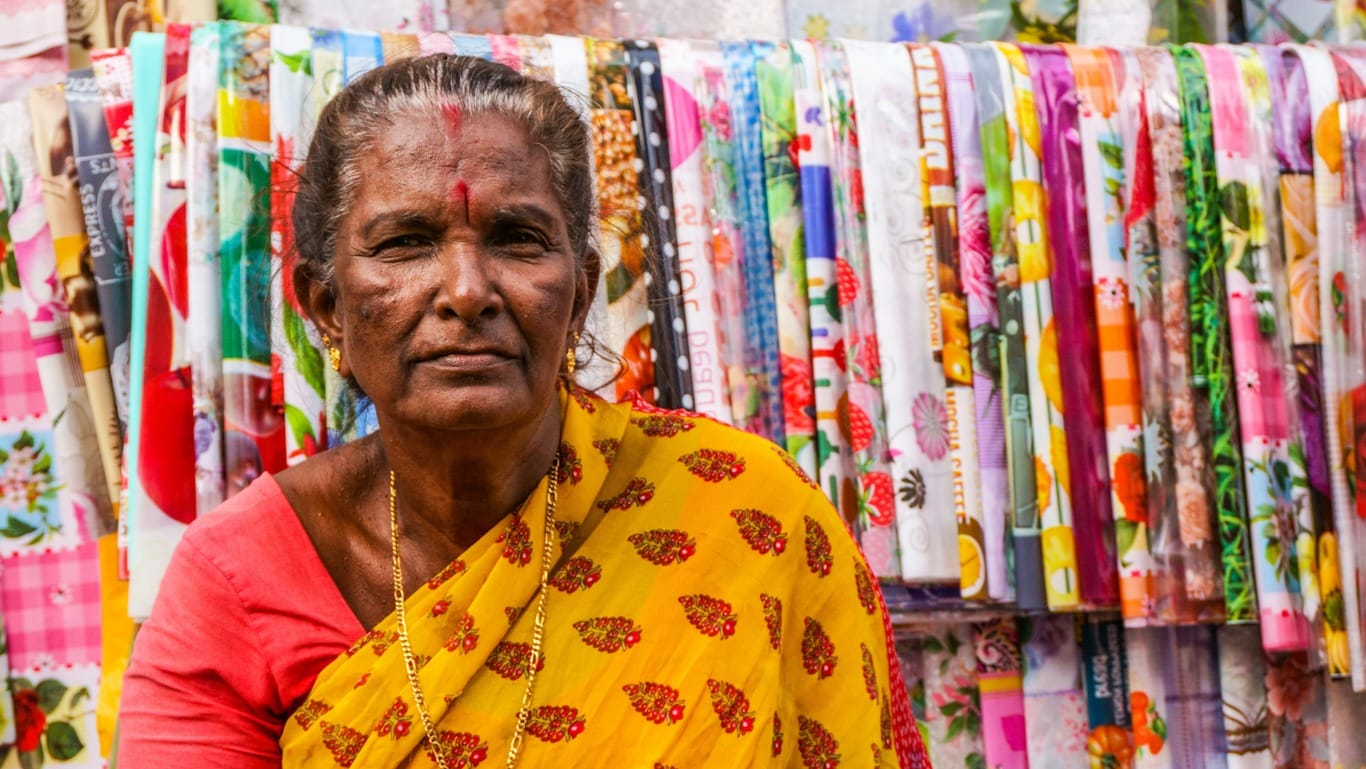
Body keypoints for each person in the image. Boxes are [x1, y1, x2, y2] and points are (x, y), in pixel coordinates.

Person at [116, 53, 929, 769]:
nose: (468, 292)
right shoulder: (237, 580)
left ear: (577, 296)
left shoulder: (747, 511)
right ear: (325, 306)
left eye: (516, 238)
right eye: (404, 242)